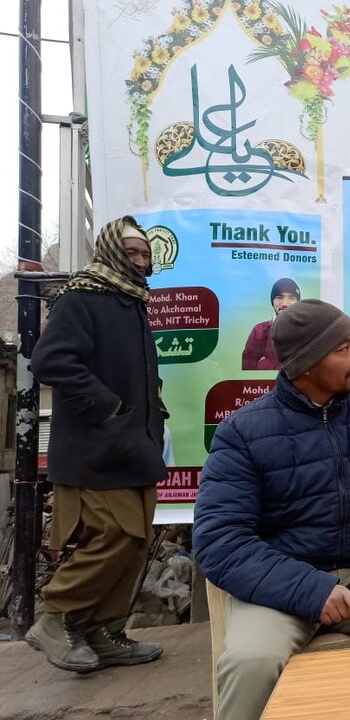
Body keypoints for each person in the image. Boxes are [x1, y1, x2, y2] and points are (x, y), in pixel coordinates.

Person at [193, 300, 350, 720]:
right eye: (344, 348)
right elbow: (221, 542)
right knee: (251, 662)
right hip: (282, 585)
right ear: (307, 363)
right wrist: (312, 591)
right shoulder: (242, 433)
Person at [26, 216, 166, 673]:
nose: (141, 262)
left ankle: (102, 631)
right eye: (131, 253)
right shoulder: (84, 297)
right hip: (96, 450)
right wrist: (106, 409)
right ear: (110, 252)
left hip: (131, 447)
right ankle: (56, 617)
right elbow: (50, 360)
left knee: (135, 541)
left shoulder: (131, 302)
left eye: (146, 255)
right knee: (113, 536)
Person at [242, 278, 300, 370]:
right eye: (279, 297)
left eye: (291, 298)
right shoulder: (259, 331)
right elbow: (247, 369)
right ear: (272, 301)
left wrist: (264, 364)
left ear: (298, 302)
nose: (285, 303)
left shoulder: (307, 329)